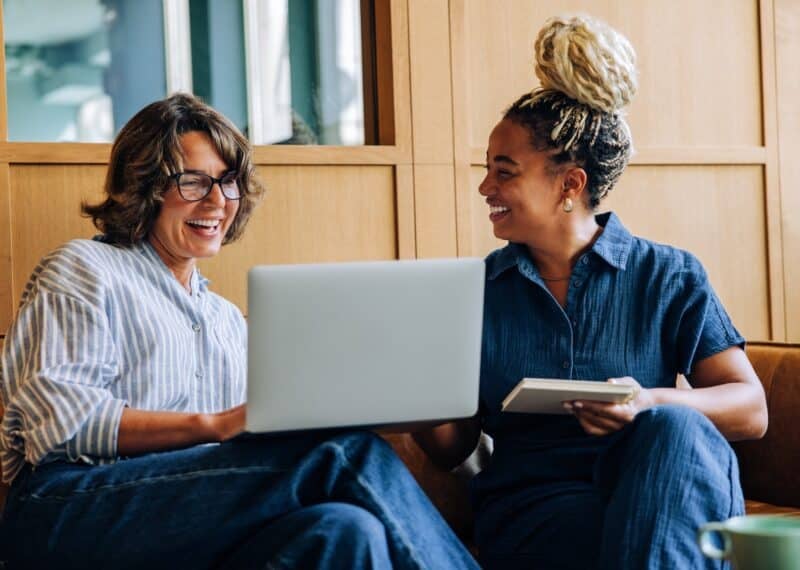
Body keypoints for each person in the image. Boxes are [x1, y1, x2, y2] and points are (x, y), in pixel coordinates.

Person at [0, 93, 478, 570]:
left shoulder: (227, 320)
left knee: (347, 531)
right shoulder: (84, 268)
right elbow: (61, 428)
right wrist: (216, 425)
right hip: (64, 509)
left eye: (229, 183)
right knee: (346, 456)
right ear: (141, 186)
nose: (217, 201)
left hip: (187, 519)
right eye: (194, 182)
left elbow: (245, 461)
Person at [413, 14, 768, 570]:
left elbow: (750, 410)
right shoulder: (475, 290)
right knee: (616, 535)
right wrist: (410, 382)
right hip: (540, 511)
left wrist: (648, 402)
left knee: (674, 431)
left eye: (504, 172)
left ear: (570, 185)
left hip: (661, 488)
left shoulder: (669, 273)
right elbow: (452, 448)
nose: (486, 188)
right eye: (487, 171)